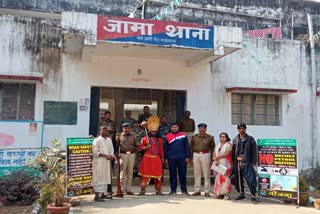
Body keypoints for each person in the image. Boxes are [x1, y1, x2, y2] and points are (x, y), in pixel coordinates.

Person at [232, 123, 258, 204]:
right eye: (240, 128)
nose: (241, 130)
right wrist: (234, 161)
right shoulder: (235, 139)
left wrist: (254, 162)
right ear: (238, 129)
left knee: (250, 180)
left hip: (247, 162)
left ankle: (253, 196)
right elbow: (233, 151)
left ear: (245, 129)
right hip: (238, 162)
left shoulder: (250, 139)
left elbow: (254, 151)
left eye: (243, 128)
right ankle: (241, 194)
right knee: (238, 180)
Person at [138, 120, 164, 196]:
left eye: (155, 131)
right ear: (149, 130)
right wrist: (146, 146)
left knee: (158, 175)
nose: (153, 132)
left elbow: (162, 150)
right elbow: (140, 148)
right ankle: (143, 190)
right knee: (145, 175)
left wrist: (162, 158)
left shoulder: (160, 140)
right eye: (152, 130)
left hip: (156, 159)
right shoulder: (144, 139)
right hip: (147, 159)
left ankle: (158, 190)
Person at [164, 122, 190, 195]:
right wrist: (166, 158)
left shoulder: (183, 135)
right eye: (173, 127)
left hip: (182, 157)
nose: (174, 128)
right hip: (171, 158)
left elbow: (186, 146)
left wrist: (187, 156)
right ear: (170, 128)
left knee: (182, 174)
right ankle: (173, 190)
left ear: (178, 128)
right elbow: (166, 148)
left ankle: (184, 190)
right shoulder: (167, 136)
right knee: (172, 174)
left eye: (175, 127)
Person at [190, 123, 215, 197]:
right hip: (196, 154)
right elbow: (191, 148)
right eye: (200, 128)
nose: (202, 129)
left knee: (206, 173)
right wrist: (191, 158)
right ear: (198, 129)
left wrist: (212, 159)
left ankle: (207, 191)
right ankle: (197, 190)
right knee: (196, 173)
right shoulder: (194, 137)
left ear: (206, 129)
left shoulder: (210, 137)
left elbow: (213, 148)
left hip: (206, 154)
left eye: (203, 128)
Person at [92, 126, 114, 202]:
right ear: (100, 131)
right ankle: (97, 196)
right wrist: (106, 156)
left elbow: (111, 149)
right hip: (99, 162)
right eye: (103, 131)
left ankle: (103, 194)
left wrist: (111, 156)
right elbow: (95, 152)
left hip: (107, 162)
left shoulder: (109, 140)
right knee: (98, 178)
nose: (104, 132)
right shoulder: (96, 140)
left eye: (106, 131)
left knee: (105, 177)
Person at [116, 122, 137, 195]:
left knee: (130, 173)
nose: (126, 129)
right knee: (123, 172)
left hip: (132, 154)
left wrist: (136, 157)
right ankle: (122, 189)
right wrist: (117, 157)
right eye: (125, 128)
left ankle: (129, 189)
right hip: (123, 155)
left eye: (128, 128)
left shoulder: (134, 136)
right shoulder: (119, 136)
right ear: (122, 128)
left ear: (130, 128)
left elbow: (135, 146)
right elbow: (117, 147)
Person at [212, 132, 233, 200]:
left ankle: (226, 194)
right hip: (218, 163)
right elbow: (214, 153)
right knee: (219, 178)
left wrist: (217, 158)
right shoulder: (218, 145)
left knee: (226, 178)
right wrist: (215, 160)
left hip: (226, 163)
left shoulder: (229, 145)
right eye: (221, 136)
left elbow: (227, 154)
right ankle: (220, 193)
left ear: (227, 138)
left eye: (224, 136)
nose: (222, 138)